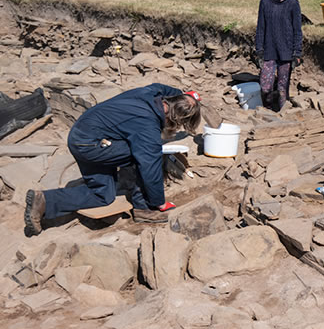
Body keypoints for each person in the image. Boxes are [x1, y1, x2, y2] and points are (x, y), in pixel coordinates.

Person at [23, 84, 201, 237]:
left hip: (81, 135)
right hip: (91, 145)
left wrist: (188, 96)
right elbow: (150, 167)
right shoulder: (147, 127)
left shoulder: (151, 92)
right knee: (142, 155)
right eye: (179, 124)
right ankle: (144, 208)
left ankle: (45, 200)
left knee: (102, 195)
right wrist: (159, 201)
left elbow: (163, 86)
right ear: (175, 118)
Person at [255, 0, 303, 112]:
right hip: (269, 50)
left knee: (283, 88)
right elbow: (260, 28)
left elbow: (297, 31)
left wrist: (297, 53)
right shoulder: (265, 2)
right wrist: (259, 50)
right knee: (265, 86)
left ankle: (283, 113)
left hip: (286, 52)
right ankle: (267, 111)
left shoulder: (293, 3)